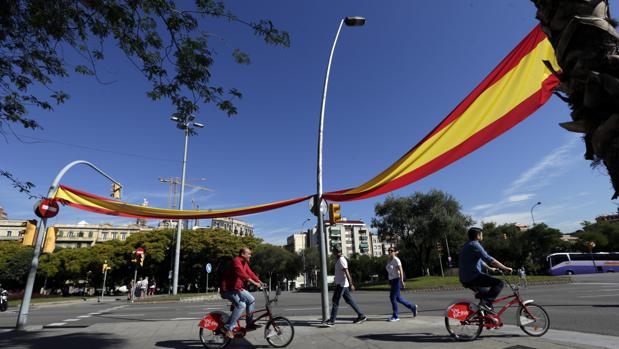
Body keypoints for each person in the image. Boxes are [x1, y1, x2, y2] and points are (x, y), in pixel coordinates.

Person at [459, 227, 512, 313]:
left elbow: (480, 261)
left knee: (486, 295)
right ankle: (485, 305)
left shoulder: (467, 245)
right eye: (481, 234)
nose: (482, 235)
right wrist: (505, 268)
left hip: (465, 278)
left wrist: (490, 269)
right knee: (499, 283)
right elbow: (489, 259)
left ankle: (487, 318)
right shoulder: (475, 245)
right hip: (473, 277)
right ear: (477, 235)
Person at [220, 247, 263, 339]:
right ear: (243, 254)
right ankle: (227, 328)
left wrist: (260, 281)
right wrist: (255, 283)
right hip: (228, 290)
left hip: (237, 289)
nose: (250, 256)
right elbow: (242, 274)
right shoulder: (236, 261)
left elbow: (250, 273)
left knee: (251, 299)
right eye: (249, 254)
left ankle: (249, 324)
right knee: (241, 305)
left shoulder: (244, 263)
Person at [323, 247, 367, 327]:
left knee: (335, 301)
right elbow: (340, 273)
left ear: (337, 252)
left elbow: (346, 272)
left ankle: (332, 321)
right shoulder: (338, 259)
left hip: (342, 285)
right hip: (342, 284)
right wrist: (335, 280)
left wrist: (351, 284)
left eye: (333, 251)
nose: (332, 253)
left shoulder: (342, 260)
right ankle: (361, 316)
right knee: (349, 300)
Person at [385, 248, 418, 321]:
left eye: (391, 251)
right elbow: (389, 271)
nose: (390, 252)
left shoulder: (396, 260)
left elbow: (401, 270)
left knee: (392, 297)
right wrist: (389, 280)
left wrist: (402, 281)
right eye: (389, 250)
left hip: (397, 280)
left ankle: (395, 316)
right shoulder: (389, 260)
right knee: (398, 298)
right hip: (392, 280)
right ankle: (413, 307)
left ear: (394, 252)